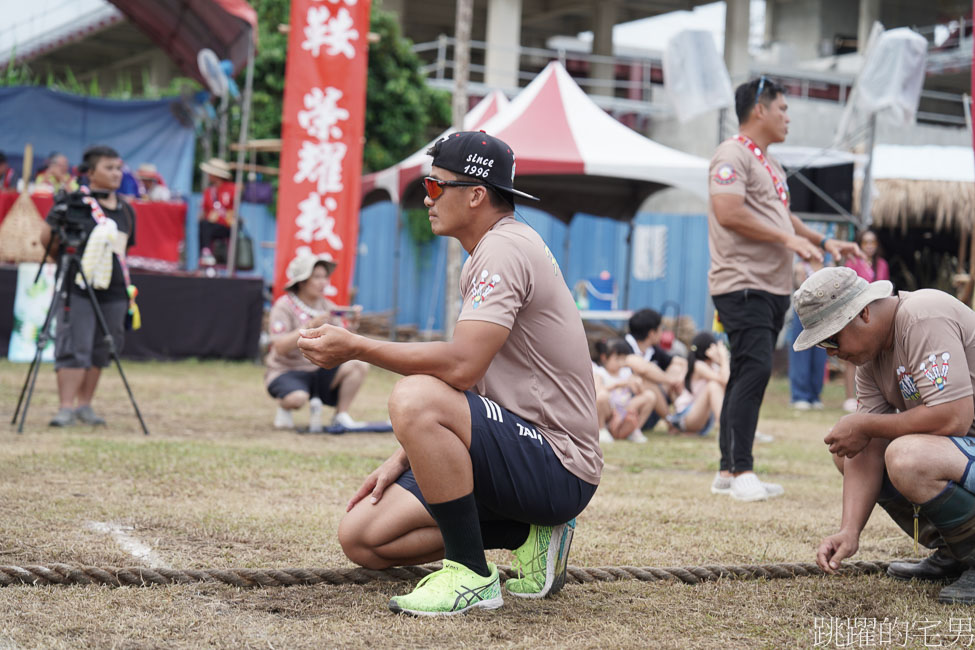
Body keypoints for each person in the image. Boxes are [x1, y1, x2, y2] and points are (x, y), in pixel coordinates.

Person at [297, 131, 601, 616]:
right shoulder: (489, 250)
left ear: (476, 194)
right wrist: (405, 455)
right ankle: (531, 533)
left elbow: (461, 364)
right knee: (362, 539)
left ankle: (471, 574)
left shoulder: (504, 250)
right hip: (510, 449)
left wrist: (355, 347)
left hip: (556, 464)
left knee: (414, 396)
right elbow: (469, 382)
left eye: (436, 187)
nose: (426, 198)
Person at [707, 76, 863, 502]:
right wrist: (785, 241)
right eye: (783, 109)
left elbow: (782, 216)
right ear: (760, 108)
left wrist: (820, 240)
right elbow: (727, 210)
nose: (788, 117)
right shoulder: (731, 154)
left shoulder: (769, 163)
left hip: (769, 286)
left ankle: (727, 471)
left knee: (744, 370)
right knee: (755, 368)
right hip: (742, 283)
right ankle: (742, 471)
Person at [794, 266, 975, 605]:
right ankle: (957, 551)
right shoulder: (870, 363)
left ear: (862, 312)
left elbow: (954, 417)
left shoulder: (922, 315)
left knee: (907, 457)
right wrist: (850, 530)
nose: (831, 353)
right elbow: (865, 448)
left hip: (961, 441)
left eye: (832, 338)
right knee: (850, 448)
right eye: (822, 346)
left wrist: (867, 425)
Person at [39, 145, 137, 427]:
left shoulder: (126, 211)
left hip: (115, 290)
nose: (116, 173)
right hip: (78, 286)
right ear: (91, 173)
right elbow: (47, 237)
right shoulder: (73, 203)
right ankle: (66, 407)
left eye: (119, 168)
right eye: (109, 168)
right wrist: (65, 263)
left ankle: (85, 405)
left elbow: (124, 249)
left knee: (102, 347)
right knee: (74, 344)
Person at [264, 251, 368, 431]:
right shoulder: (283, 306)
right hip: (287, 370)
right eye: (317, 277)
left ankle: (340, 415)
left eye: (325, 277)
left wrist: (351, 326)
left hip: (319, 369)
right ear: (302, 281)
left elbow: (341, 342)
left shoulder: (327, 306)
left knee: (359, 365)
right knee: (297, 398)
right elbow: (280, 347)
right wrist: (309, 326)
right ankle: (285, 404)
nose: (324, 282)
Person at [842, 229, 889, 413]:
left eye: (873, 242)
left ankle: (876, 397)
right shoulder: (852, 263)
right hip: (855, 314)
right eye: (866, 242)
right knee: (850, 355)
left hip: (876, 315)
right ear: (859, 244)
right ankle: (849, 397)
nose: (869, 246)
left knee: (876, 357)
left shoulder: (882, 264)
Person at [624, 308, 686, 431]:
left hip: (653, 405)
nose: (662, 333)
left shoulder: (653, 350)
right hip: (628, 406)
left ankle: (683, 411)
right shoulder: (623, 347)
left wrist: (680, 377)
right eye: (660, 329)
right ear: (652, 333)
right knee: (647, 381)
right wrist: (669, 380)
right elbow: (642, 369)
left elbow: (682, 362)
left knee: (675, 369)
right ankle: (671, 423)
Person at [593, 338, 656, 444]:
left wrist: (638, 384)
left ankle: (635, 429)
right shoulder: (600, 372)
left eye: (623, 359)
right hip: (609, 410)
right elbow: (597, 392)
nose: (621, 363)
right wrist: (618, 384)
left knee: (649, 396)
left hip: (624, 408)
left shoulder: (626, 372)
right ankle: (602, 428)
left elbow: (640, 393)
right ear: (604, 358)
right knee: (602, 396)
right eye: (617, 359)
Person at [667, 331, 728, 437]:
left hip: (700, 418)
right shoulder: (698, 365)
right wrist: (723, 358)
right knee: (712, 386)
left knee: (718, 386)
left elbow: (728, 383)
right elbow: (724, 380)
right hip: (686, 417)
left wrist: (719, 361)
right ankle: (726, 429)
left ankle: (732, 427)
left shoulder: (713, 367)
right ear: (707, 349)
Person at [788, 257, 827, 410]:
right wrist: (799, 273)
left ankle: (814, 395)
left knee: (820, 354)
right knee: (801, 354)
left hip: (823, 313)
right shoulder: (800, 266)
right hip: (803, 313)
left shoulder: (827, 266)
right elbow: (798, 289)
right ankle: (799, 394)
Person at [198, 158, 236, 266]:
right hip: (212, 226)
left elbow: (234, 208)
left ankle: (206, 252)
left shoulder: (232, 188)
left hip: (227, 225)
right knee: (203, 225)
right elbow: (204, 211)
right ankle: (205, 253)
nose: (208, 175)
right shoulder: (208, 192)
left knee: (206, 226)